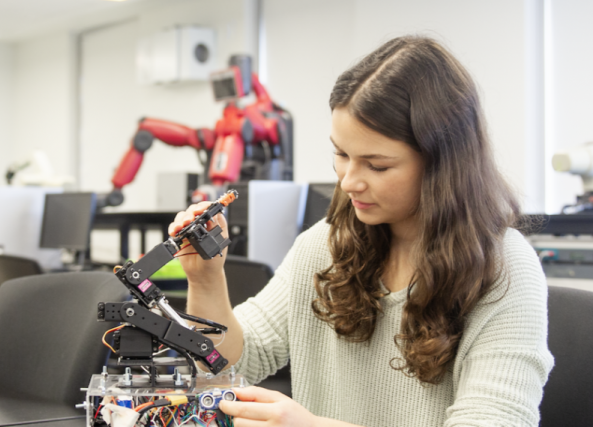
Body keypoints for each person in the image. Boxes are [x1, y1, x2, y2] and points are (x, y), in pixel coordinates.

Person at [168, 36, 554, 427]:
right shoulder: (327, 243)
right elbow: (228, 362)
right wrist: (206, 280)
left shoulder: (504, 268)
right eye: (341, 154)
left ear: (442, 163)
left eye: (377, 165)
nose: (349, 181)